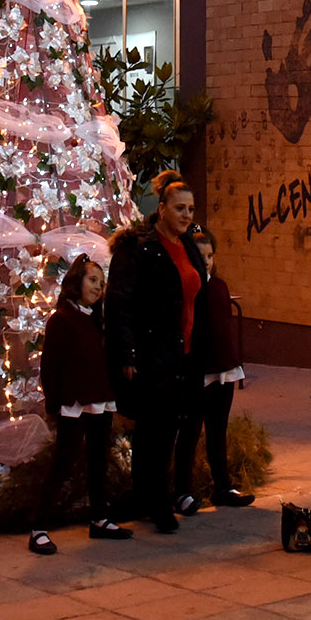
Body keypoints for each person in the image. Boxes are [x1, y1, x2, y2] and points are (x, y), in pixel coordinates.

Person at [104, 180, 203, 533]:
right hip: (153, 351)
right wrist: (128, 353)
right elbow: (120, 302)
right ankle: (155, 502)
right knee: (154, 429)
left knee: (170, 426)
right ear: (161, 209)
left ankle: (156, 496)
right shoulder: (139, 248)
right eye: (179, 209)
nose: (186, 216)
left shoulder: (187, 245)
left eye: (190, 209)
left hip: (183, 352)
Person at [30, 254, 132, 555]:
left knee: (99, 461)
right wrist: (54, 403)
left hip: (100, 398)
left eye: (102, 282)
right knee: (63, 461)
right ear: (76, 282)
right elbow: (50, 365)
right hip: (75, 401)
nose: (98, 287)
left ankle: (99, 518)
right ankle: (39, 527)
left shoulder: (97, 320)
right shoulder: (61, 319)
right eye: (92, 280)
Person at [179, 224, 255, 512]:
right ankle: (181, 491)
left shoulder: (219, 286)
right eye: (200, 257)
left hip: (224, 366)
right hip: (198, 368)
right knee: (190, 430)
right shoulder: (188, 289)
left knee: (217, 429)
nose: (206, 262)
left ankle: (222, 486)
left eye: (210, 256)